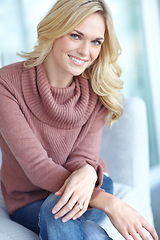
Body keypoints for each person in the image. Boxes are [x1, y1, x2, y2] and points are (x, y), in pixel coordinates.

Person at [0, 0, 158, 239]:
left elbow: (82, 158)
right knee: (68, 218)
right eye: (76, 36)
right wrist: (111, 203)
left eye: (96, 41)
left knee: (58, 210)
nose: (86, 52)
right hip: (28, 199)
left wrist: (87, 171)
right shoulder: (7, 85)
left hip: (90, 184)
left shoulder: (96, 90)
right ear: (54, 30)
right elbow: (36, 167)